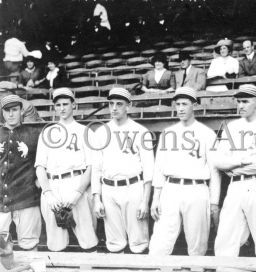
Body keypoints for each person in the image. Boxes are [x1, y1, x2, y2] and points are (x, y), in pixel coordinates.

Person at [149, 86, 220, 256]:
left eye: (185, 104)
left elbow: (215, 171)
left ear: (194, 105)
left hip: (197, 189)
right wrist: (155, 198)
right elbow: (159, 168)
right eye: (177, 104)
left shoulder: (207, 134)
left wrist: (214, 202)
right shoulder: (168, 133)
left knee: (197, 244)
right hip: (170, 188)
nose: (180, 108)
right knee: (160, 243)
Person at [213, 84, 256, 257]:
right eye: (238, 101)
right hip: (235, 186)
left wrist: (233, 167)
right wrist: (243, 160)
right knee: (225, 240)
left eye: (245, 101)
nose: (240, 105)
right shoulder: (232, 127)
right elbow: (218, 160)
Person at [35, 87, 98, 252]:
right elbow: (40, 167)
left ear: (73, 105)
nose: (61, 108)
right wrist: (48, 193)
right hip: (53, 187)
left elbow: (91, 167)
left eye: (65, 104)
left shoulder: (85, 131)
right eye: (58, 105)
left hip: (78, 184)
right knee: (56, 242)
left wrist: (77, 194)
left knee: (88, 239)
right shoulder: (47, 132)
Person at [92, 87, 154, 253]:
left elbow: (149, 170)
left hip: (133, 187)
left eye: (119, 104)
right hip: (109, 189)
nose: (114, 108)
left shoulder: (141, 131)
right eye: (111, 104)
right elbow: (96, 169)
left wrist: (145, 201)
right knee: (114, 243)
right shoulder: (100, 132)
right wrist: (97, 199)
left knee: (139, 243)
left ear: (128, 106)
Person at [0, 94, 42, 251]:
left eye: (14, 110)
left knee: (30, 245)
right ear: (2, 113)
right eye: (7, 111)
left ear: (21, 111)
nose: (11, 114)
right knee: (1, 248)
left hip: (26, 199)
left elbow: (44, 162)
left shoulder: (34, 134)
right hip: (1, 199)